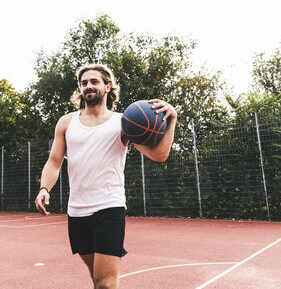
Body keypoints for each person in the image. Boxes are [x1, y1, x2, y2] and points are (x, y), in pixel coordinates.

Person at [35, 64, 177, 289]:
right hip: (77, 210)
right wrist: (44, 189)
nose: (88, 86)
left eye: (94, 81)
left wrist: (172, 120)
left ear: (107, 86)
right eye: (84, 83)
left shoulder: (123, 123)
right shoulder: (66, 122)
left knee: (106, 284)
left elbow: (159, 155)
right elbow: (54, 161)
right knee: (97, 280)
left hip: (109, 207)